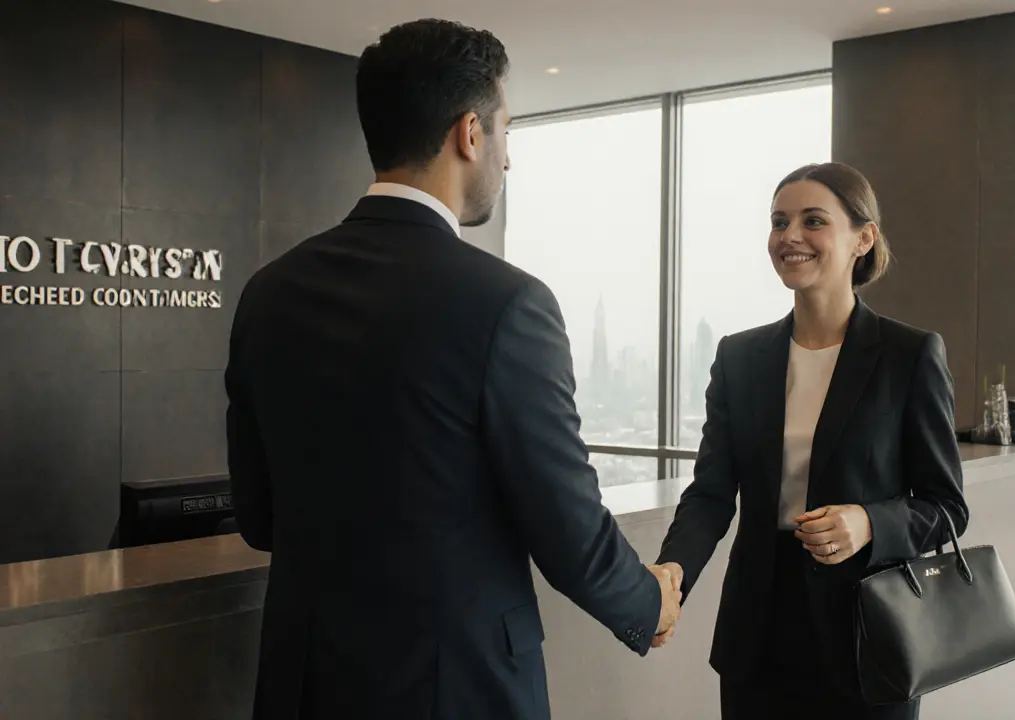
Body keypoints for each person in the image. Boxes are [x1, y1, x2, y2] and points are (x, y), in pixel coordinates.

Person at [224, 19, 681, 720]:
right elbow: (564, 522)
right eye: (507, 132)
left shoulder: (270, 291)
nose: (509, 159)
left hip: (305, 682)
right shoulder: (507, 304)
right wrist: (647, 602)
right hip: (456, 689)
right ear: (471, 134)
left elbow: (259, 517)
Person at [656, 163, 968, 719]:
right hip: (759, 631)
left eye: (813, 220)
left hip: (869, 632)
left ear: (862, 238)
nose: (789, 236)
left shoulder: (909, 355)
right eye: (779, 222)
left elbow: (946, 508)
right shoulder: (739, 358)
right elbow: (709, 493)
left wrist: (870, 523)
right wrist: (671, 574)